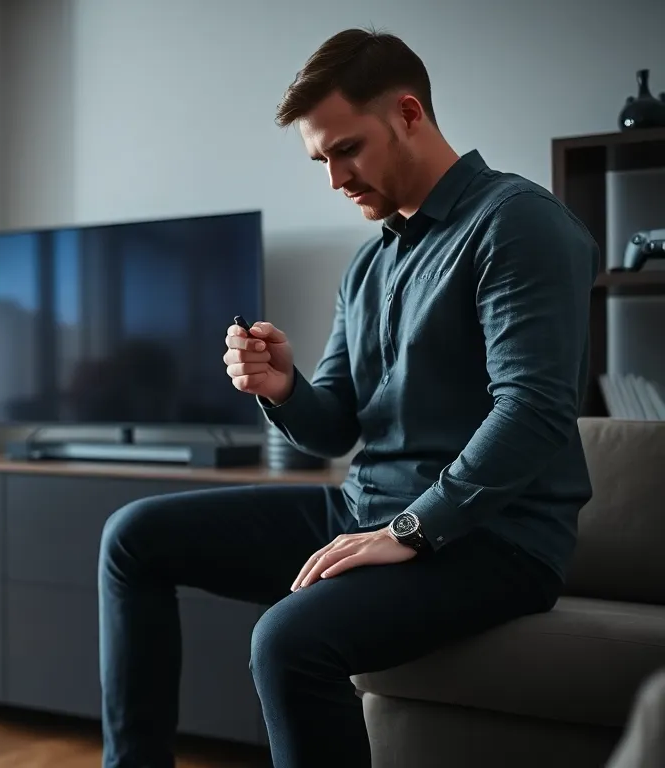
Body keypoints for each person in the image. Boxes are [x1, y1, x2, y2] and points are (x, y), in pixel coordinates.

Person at [97, 27, 599, 768]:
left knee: (288, 638)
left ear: (408, 113)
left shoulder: (516, 224)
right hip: (365, 512)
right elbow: (333, 427)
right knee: (133, 535)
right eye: (320, 160)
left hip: (492, 540)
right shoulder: (371, 265)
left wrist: (413, 529)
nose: (334, 179)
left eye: (346, 150)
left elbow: (534, 408)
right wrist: (284, 387)